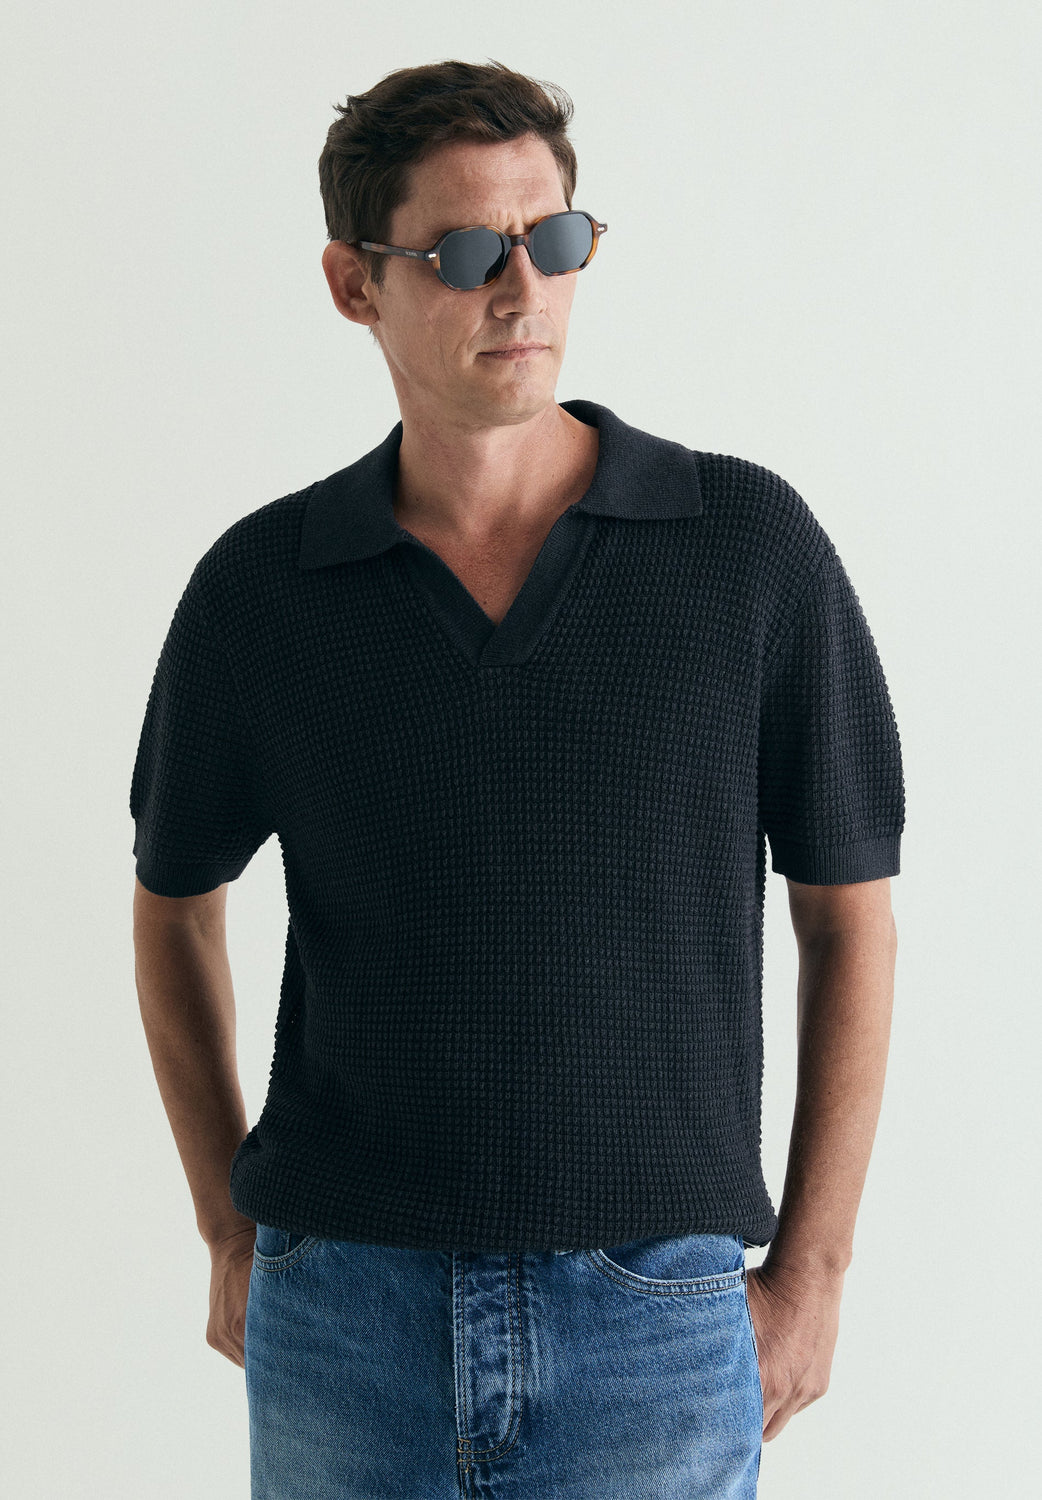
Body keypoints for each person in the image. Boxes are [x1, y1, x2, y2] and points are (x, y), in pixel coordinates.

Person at [130, 58, 904, 1500]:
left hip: (655, 1317)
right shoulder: (264, 590)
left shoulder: (745, 551)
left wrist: (812, 1272)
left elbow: (848, 915)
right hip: (342, 1311)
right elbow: (173, 907)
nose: (523, 290)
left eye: (552, 240)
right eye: (465, 254)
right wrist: (227, 1230)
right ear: (353, 285)